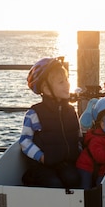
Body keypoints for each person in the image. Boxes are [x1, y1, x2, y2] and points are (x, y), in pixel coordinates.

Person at [20, 56, 82, 188]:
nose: (67, 84)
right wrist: (41, 157)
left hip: (64, 163)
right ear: (47, 89)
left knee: (74, 179)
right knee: (54, 184)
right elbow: (25, 141)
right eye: (61, 82)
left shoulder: (71, 111)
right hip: (42, 165)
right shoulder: (35, 113)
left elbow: (78, 135)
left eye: (66, 80)